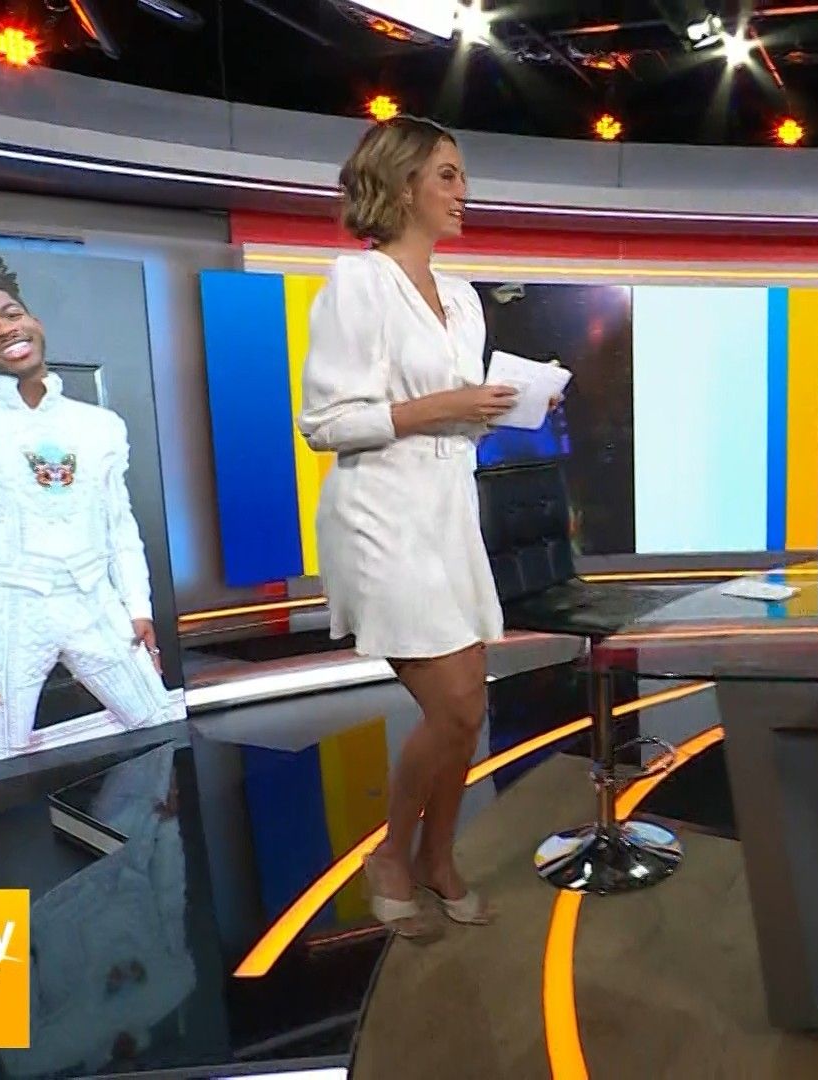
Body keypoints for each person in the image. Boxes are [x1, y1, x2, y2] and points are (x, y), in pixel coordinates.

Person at [298, 115, 526, 940]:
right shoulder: (358, 283)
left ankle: (438, 858)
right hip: (381, 514)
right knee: (455, 703)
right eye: (448, 176)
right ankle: (392, 856)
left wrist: (495, 410)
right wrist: (445, 407)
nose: (464, 192)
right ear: (401, 186)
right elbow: (324, 424)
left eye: (463, 176)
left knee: (470, 709)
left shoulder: (462, 298)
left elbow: (454, 417)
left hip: (448, 513)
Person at [0, 250, 179, 765]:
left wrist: (138, 607)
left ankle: (138, 820)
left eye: (11, 314)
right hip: (5, 611)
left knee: (159, 724)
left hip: (97, 603)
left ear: (34, 321)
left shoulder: (99, 425)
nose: (4, 329)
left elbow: (120, 525)